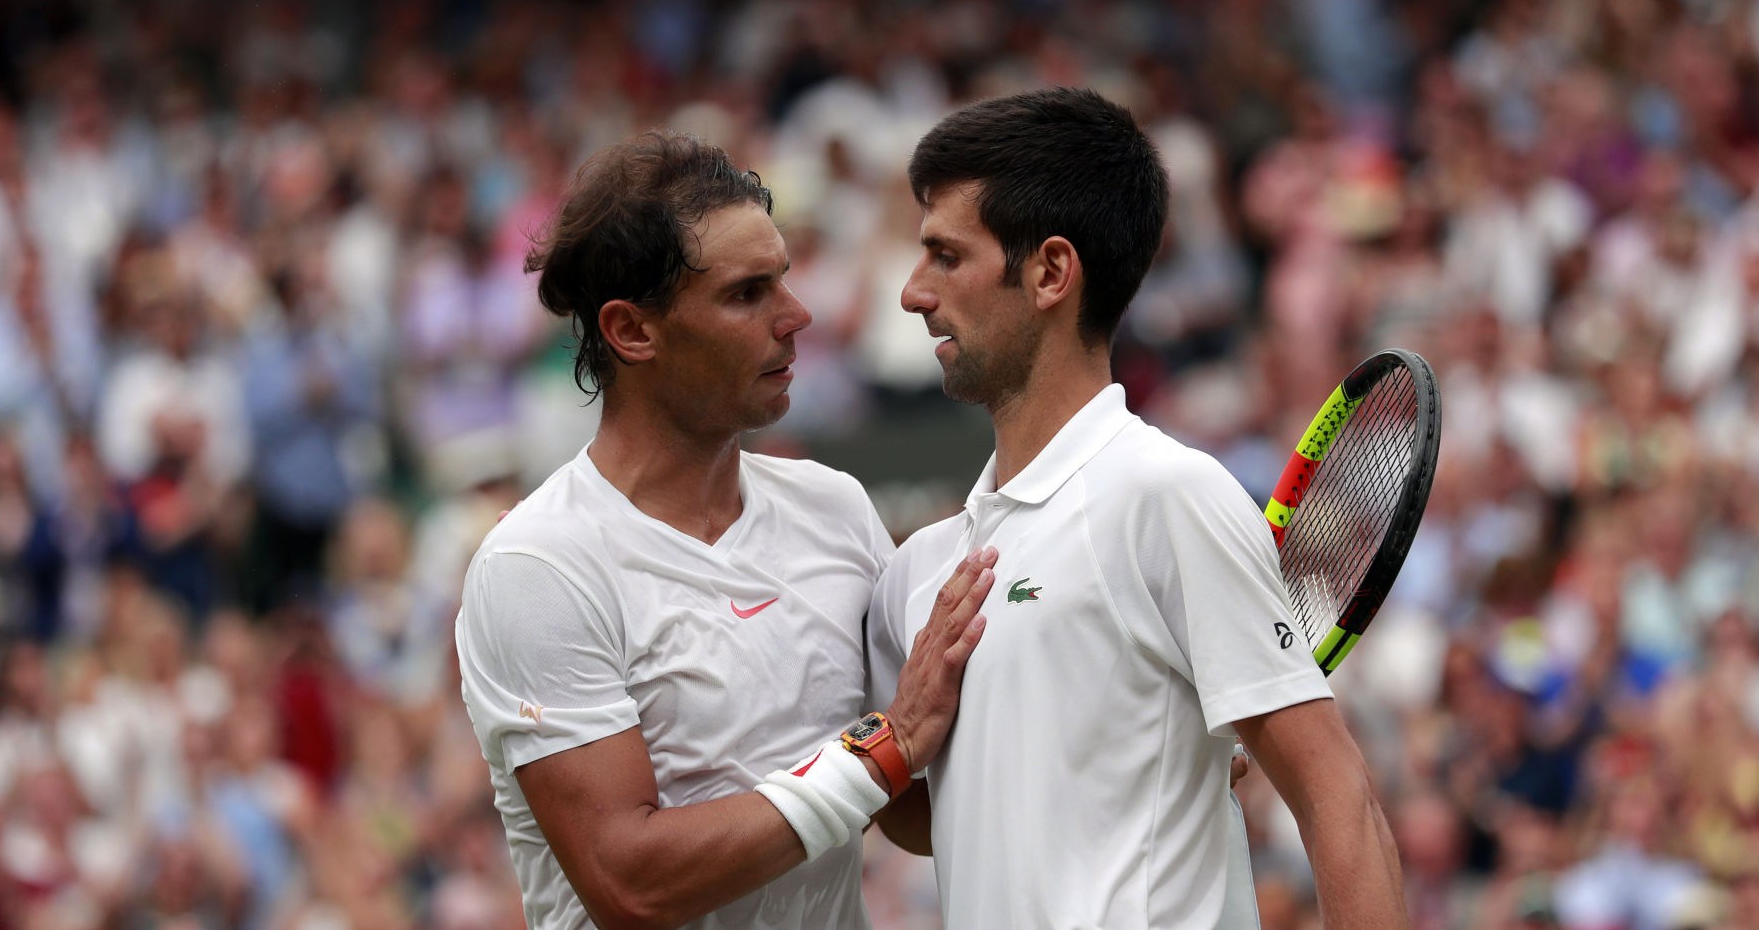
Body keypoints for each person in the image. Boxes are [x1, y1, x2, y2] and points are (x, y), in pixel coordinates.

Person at [865, 88, 1408, 930]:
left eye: (945, 255)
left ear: (1050, 271)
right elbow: (937, 820)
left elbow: (1340, 802)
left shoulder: (1166, 496)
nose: (912, 292)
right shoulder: (916, 571)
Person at [454, 131, 995, 930]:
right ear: (632, 332)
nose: (797, 314)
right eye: (748, 293)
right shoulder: (538, 563)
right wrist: (888, 746)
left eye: (783, 279)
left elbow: (908, 809)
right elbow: (630, 883)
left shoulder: (835, 508)